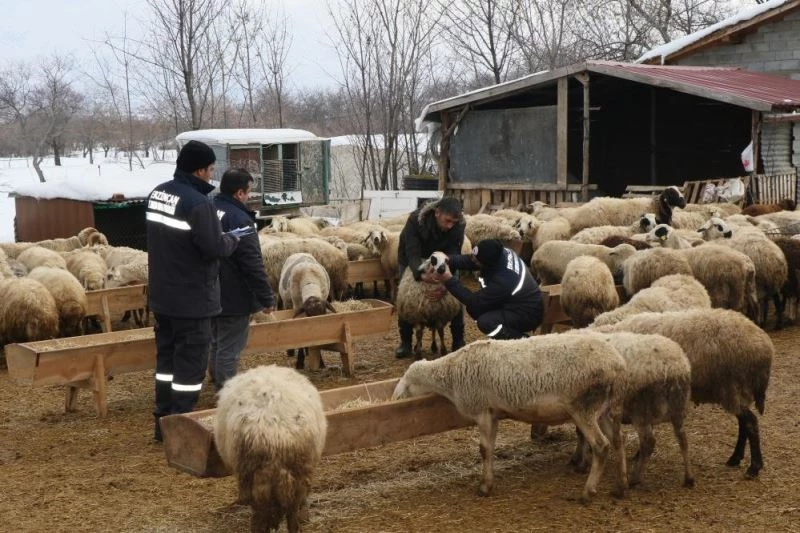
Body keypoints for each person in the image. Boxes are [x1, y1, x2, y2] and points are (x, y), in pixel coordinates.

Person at [146, 140, 239, 442]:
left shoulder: (157, 194)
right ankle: (181, 429)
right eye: (211, 169)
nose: (212, 176)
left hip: (163, 296)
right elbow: (213, 248)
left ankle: (163, 423)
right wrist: (232, 239)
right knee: (189, 368)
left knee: (166, 364)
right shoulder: (199, 204)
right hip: (193, 300)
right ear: (200, 170)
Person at [210, 168, 276, 391]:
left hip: (210, 289)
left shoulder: (210, 209)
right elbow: (251, 263)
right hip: (234, 295)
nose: (249, 196)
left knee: (216, 343)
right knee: (229, 348)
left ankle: (217, 381)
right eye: (248, 191)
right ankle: (226, 393)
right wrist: (266, 297)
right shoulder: (239, 219)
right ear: (239, 193)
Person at [395, 196, 466, 358]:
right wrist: (420, 274)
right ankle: (405, 342)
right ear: (437, 213)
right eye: (447, 221)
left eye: (453, 223)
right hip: (412, 255)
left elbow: (454, 254)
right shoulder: (415, 220)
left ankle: (458, 339)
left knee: (456, 294)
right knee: (405, 296)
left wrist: (447, 284)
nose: (450, 226)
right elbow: (412, 253)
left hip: (444, 256)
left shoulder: (458, 224)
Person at [433, 239, 543, 340]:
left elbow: (475, 301)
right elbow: (472, 261)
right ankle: (502, 336)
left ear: (488, 264)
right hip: (515, 301)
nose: (474, 261)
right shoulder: (499, 252)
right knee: (475, 310)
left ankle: (520, 341)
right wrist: (449, 259)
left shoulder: (504, 281)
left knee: (486, 322)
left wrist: (448, 280)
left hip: (527, 313)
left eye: (477, 262)